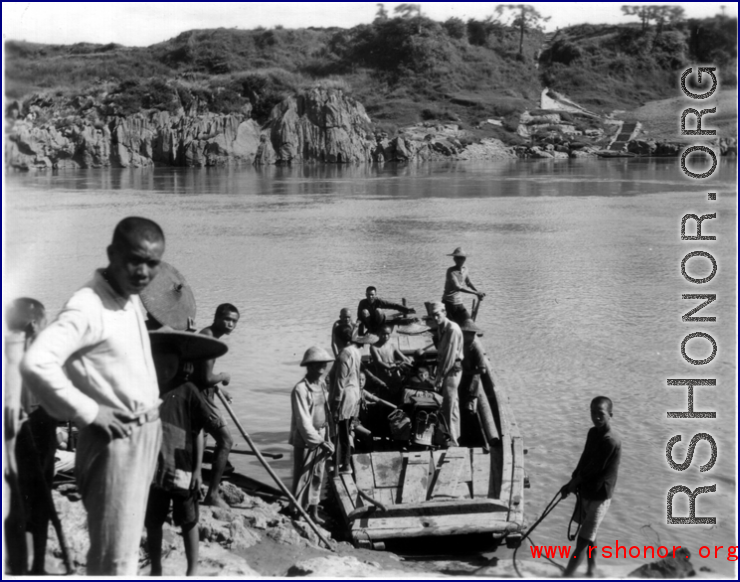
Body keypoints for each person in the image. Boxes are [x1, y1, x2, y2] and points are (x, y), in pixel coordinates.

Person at [21, 216, 165, 575]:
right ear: (111, 253)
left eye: (153, 263)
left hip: (144, 433)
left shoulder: (128, 297)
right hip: (116, 439)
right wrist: (89, 410)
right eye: (135, 259)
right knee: (115, 558)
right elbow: (38, 362)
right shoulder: (88, 305)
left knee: (126, 547)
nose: (143, 271)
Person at [145, 327, 228, 576]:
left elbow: (199, 432)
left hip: (182, 467)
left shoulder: (188, 391)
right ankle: (157, 568)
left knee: (189, 520)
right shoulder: (147, 391)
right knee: (153, 521)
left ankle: (192, 571)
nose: (164, 371)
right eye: (159, 366)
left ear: (180, 364)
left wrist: (197, 472)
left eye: (170, 365)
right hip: (153, 470)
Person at [6, 299, 59, 574]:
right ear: (32, 325)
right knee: (38, 506)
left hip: (23, 435)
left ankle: (23, 567)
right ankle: (34, 567)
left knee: (18, 508)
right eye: (44, 322)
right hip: (35, 433)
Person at [560, 396, 622, 578]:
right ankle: (592, 569)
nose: (596, 417)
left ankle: (567, 577)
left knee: (582, 542)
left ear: (610, 415)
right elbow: (585, 459)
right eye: (592, 413)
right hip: (586, 490)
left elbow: (594, 469)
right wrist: (572, 479)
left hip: (600, 497)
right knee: (590, 534)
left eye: (600, 414)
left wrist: (574, 484)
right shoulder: (592, 433)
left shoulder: (611, 441)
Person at [194, 303, 240, 508]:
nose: (231, 324)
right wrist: (224, 377)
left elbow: (200, 373)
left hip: (199, 393)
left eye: (234, 321)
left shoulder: (207, 334)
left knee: (201, 439)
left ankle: (195, 483)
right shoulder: (210, 338)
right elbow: (205, 377)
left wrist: (220, 390)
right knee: (226, 441)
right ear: (217, 317)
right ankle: (212, 494)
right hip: (200, 397)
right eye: (227, 319)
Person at [289, 347, 336, 524]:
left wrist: (327, 438)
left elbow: (326, 412)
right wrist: (318, 441)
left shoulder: (323, 385)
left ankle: (313, 511)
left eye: (323, 364)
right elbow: (303, 422)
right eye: (317, 364)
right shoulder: (300, 389)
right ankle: (297, 511)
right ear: (309, 366)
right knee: (302, 476)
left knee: (317, 475)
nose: (322, 367)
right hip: (305, 438)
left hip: (322, 434)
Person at [329, 325, 362, 474]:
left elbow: (339, 383)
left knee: (341, 430)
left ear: (337, 339)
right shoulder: (356, 351)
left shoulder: (343, 356)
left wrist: (335, 407)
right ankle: (344, 461)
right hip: (355, 392)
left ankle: (345, 464)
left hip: (346, 396)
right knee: (346, 429)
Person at [430, 302, 463, 447]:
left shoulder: (452, 329)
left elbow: (449, 357)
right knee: (453, 404)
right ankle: (455, 436)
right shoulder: (441, 328)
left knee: (448, 405)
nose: (436, 317)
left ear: (444, 312)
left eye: (438, 314)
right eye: (433, 315)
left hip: (452, 370)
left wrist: (439, 378)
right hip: (447, 368)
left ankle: (451, 441)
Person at [442, 247, 486, 325]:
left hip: (459, 302)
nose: (459, 260)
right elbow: (458, 287)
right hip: (449, 303)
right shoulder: (451, 271)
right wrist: (475, 293)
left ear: (465, 259)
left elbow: (468, 282)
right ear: (454, 259)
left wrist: (477, 291)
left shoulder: (465, 269)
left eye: (461, 258)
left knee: (469, 322)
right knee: (451, 325)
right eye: (457, 258)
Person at [370, 324, 412, 395]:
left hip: (394, 375)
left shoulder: (392, 346)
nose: (386, 336)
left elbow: (403, 358)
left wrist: (409, 361)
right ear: (378, 334)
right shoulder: (374, 347)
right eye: (383, 334)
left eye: (388, 334)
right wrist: (391, 367)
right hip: (383, 376)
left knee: (397, 394)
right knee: (384, 394)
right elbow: (378, 361)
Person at [459, 319, 487, 415]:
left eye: (465, 333)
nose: (462, 335)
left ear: (471, 334)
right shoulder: (463, 344)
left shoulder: (475, 347)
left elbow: (482, 370)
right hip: (462, 380)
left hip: (471, 383)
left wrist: (467, 372)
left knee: (469, 409)